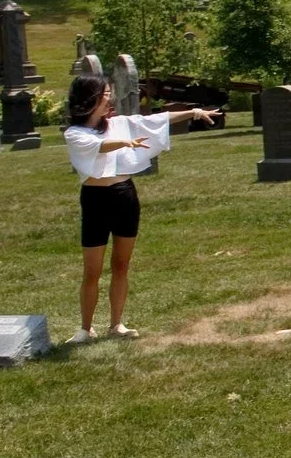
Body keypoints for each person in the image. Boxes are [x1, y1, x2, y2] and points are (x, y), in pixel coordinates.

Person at [61, 73, 219, 344]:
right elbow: (98, 147)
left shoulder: (119, 123)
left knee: (121, 264)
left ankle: (116, 324)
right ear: (90, 99)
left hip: (124, 195)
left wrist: (192, 111)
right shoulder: (75, 133)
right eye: (105, 94)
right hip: (95, 199)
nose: (109, 98)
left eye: (109, 93)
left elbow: (154, 120)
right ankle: (86, 329)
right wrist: (124, 142)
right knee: (93, 270)